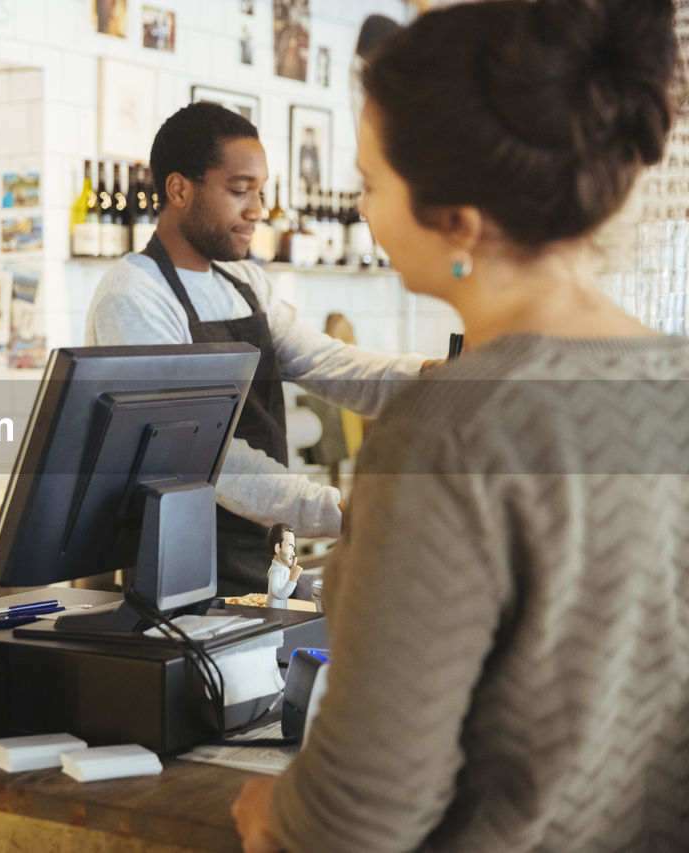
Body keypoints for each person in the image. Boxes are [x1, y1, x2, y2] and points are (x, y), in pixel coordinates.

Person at [233, 1, 689, 850]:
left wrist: (274, 817)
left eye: (372, 185)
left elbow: (358, 818)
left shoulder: (449, 435)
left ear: (460, 221)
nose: (364, 213)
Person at [85, 101, 427, 595]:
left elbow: (328, 362)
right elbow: (197, 448)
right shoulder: (134, 293)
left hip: (267, 551)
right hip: (183, 567)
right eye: (240, 191)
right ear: (179, 189)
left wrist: (434, 378)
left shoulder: (245, 281)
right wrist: (338, 512)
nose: (257, 211)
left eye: (260, 192)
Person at [264, 523, 301, 609]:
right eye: (290, 547)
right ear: (277, 548)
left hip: (282, 612)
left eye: (293, 548)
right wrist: (293, 579)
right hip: (274, 613)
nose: (294, 553)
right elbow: (279, 594)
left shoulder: (284, 570)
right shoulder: (275, 572)